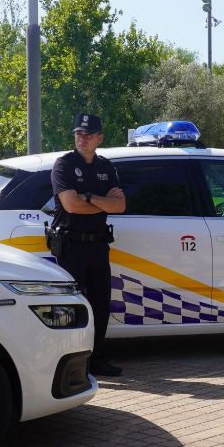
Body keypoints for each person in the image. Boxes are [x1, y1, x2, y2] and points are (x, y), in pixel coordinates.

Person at [49, 113, 126, 377]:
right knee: (68, 307)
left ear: (99, 138)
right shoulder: (64, 165)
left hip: (97, 246)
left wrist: (90, 197)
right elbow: (70, 205)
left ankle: (96, 359)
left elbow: (120, 206)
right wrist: (102, 203)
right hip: (71, 246)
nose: (82, 138)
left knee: (99, 305)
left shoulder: (106, 167)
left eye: (89, 134)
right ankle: (67, 362)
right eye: (78, 134)